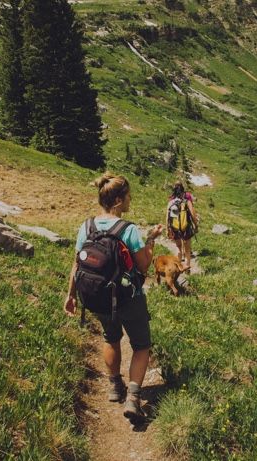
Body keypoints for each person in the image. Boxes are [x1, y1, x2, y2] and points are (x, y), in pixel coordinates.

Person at [64, 172, 163, 421]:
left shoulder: (86, 227)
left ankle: (114, 386)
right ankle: (132, 397)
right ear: (118, 200)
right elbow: (142, 266)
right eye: (128, 196)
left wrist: (71, 295)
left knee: (111, 337)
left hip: (97, 296)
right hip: (128, 296)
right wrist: (151, 240)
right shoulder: (127, 229)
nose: (131, 200)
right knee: (141, 345)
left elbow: (77, 264)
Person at [166, 181, 198, 270]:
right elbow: (192, 214)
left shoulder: (171, 202)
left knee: (178, 247)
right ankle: (187, 266)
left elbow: (167, 217)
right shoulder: (187, 201)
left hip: (175, 227)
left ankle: (178, 267)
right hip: (186, 226)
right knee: (187, 249)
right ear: (183, 189)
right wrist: (196, 225)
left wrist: (167, 229)